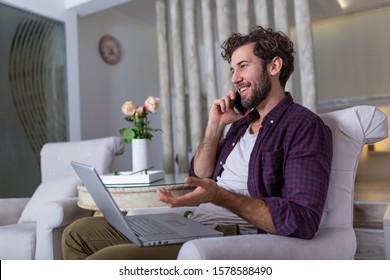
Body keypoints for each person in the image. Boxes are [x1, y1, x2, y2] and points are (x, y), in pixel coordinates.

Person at [61, 26, 332, 260]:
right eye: (232, 69)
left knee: (105, 261)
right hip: (192, 223)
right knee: (76, 233)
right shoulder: (239, 125)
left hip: (228, 236)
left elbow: (303, 220)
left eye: (243, 66)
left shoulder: (303, 125)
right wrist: (214, 126)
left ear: (274, 66)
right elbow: (199, 176)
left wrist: (219, 196)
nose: (235, 78)